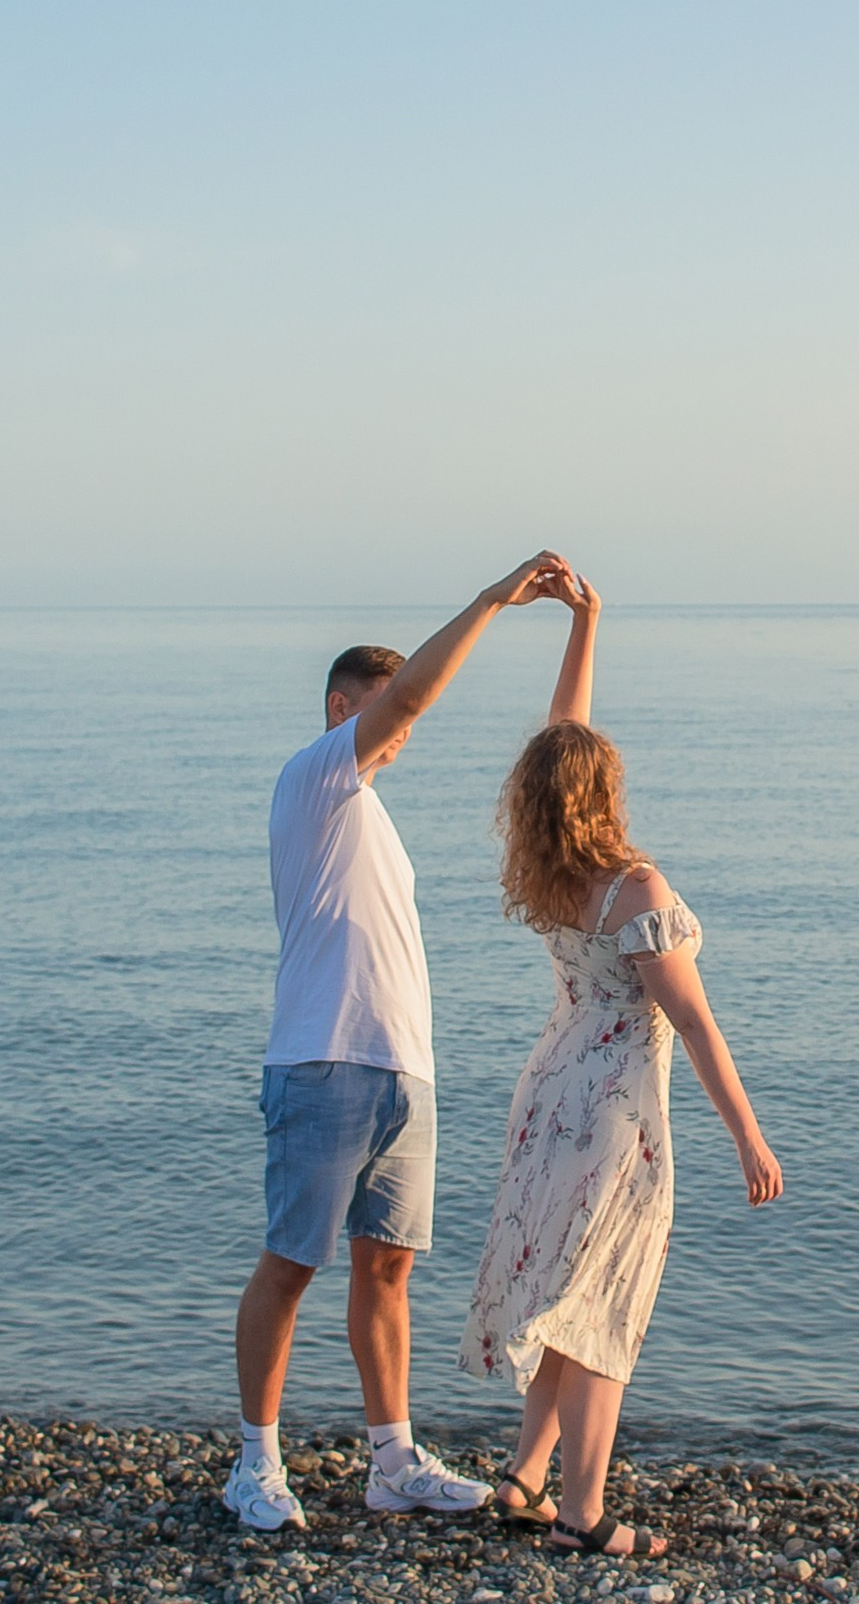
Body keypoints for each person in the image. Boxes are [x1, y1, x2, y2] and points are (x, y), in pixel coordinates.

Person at [224, 550, 577, 1533]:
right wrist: (492, 600)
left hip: (398, 1071)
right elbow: (415, 698)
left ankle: (391, 1458)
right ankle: (254, 1461)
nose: (402, 727)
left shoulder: (370, 814)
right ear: (344, 709)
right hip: (322, 1060)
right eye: (383, 708)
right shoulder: (315, 780)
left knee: (388, 1267)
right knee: (290, 1263)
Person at [457, 573, 785, 1559]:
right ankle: (583, 1512)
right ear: (604, 792)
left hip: (548, 1089)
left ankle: (522, 1476)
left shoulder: (553, 878)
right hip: (614, 1112)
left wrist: (587, 622)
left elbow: (562, 740)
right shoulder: (636, 889)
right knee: (604, 1300)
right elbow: (695, 1025)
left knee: (568, 1282)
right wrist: (749, 1135)